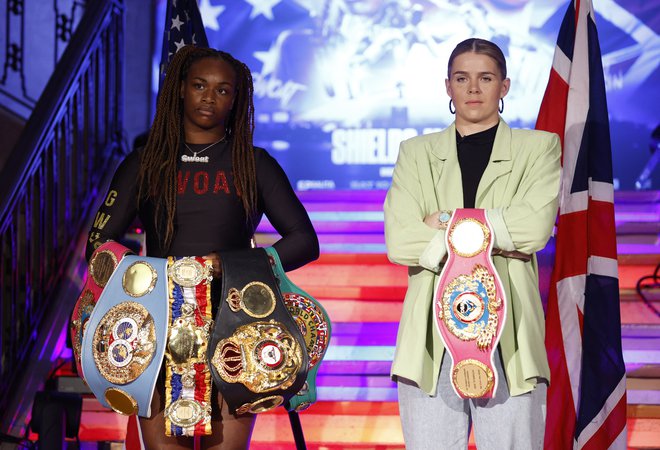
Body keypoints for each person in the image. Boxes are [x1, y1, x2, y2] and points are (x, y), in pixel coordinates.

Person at [85, 46, 319, 449]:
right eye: (199, 85)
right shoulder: (145, 162)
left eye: (223, 90)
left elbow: (305, 241)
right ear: (179, 90)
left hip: (238, 326)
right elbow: (98, 245)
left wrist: (231, 265)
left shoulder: (255, 163)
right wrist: (142, 276)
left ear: (237, 99)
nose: (209, 97)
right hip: (153, 329)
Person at [383, 38, 561, 449]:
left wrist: (443, 221)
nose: (474, 89)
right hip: (430, 338)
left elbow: (534, 229)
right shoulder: (415, 153)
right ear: (448, 87)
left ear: (505, 86)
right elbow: (400, 239)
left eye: (486, 78)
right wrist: (495, 235)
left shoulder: (539, 148)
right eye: (462, 78)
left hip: (510, 336)